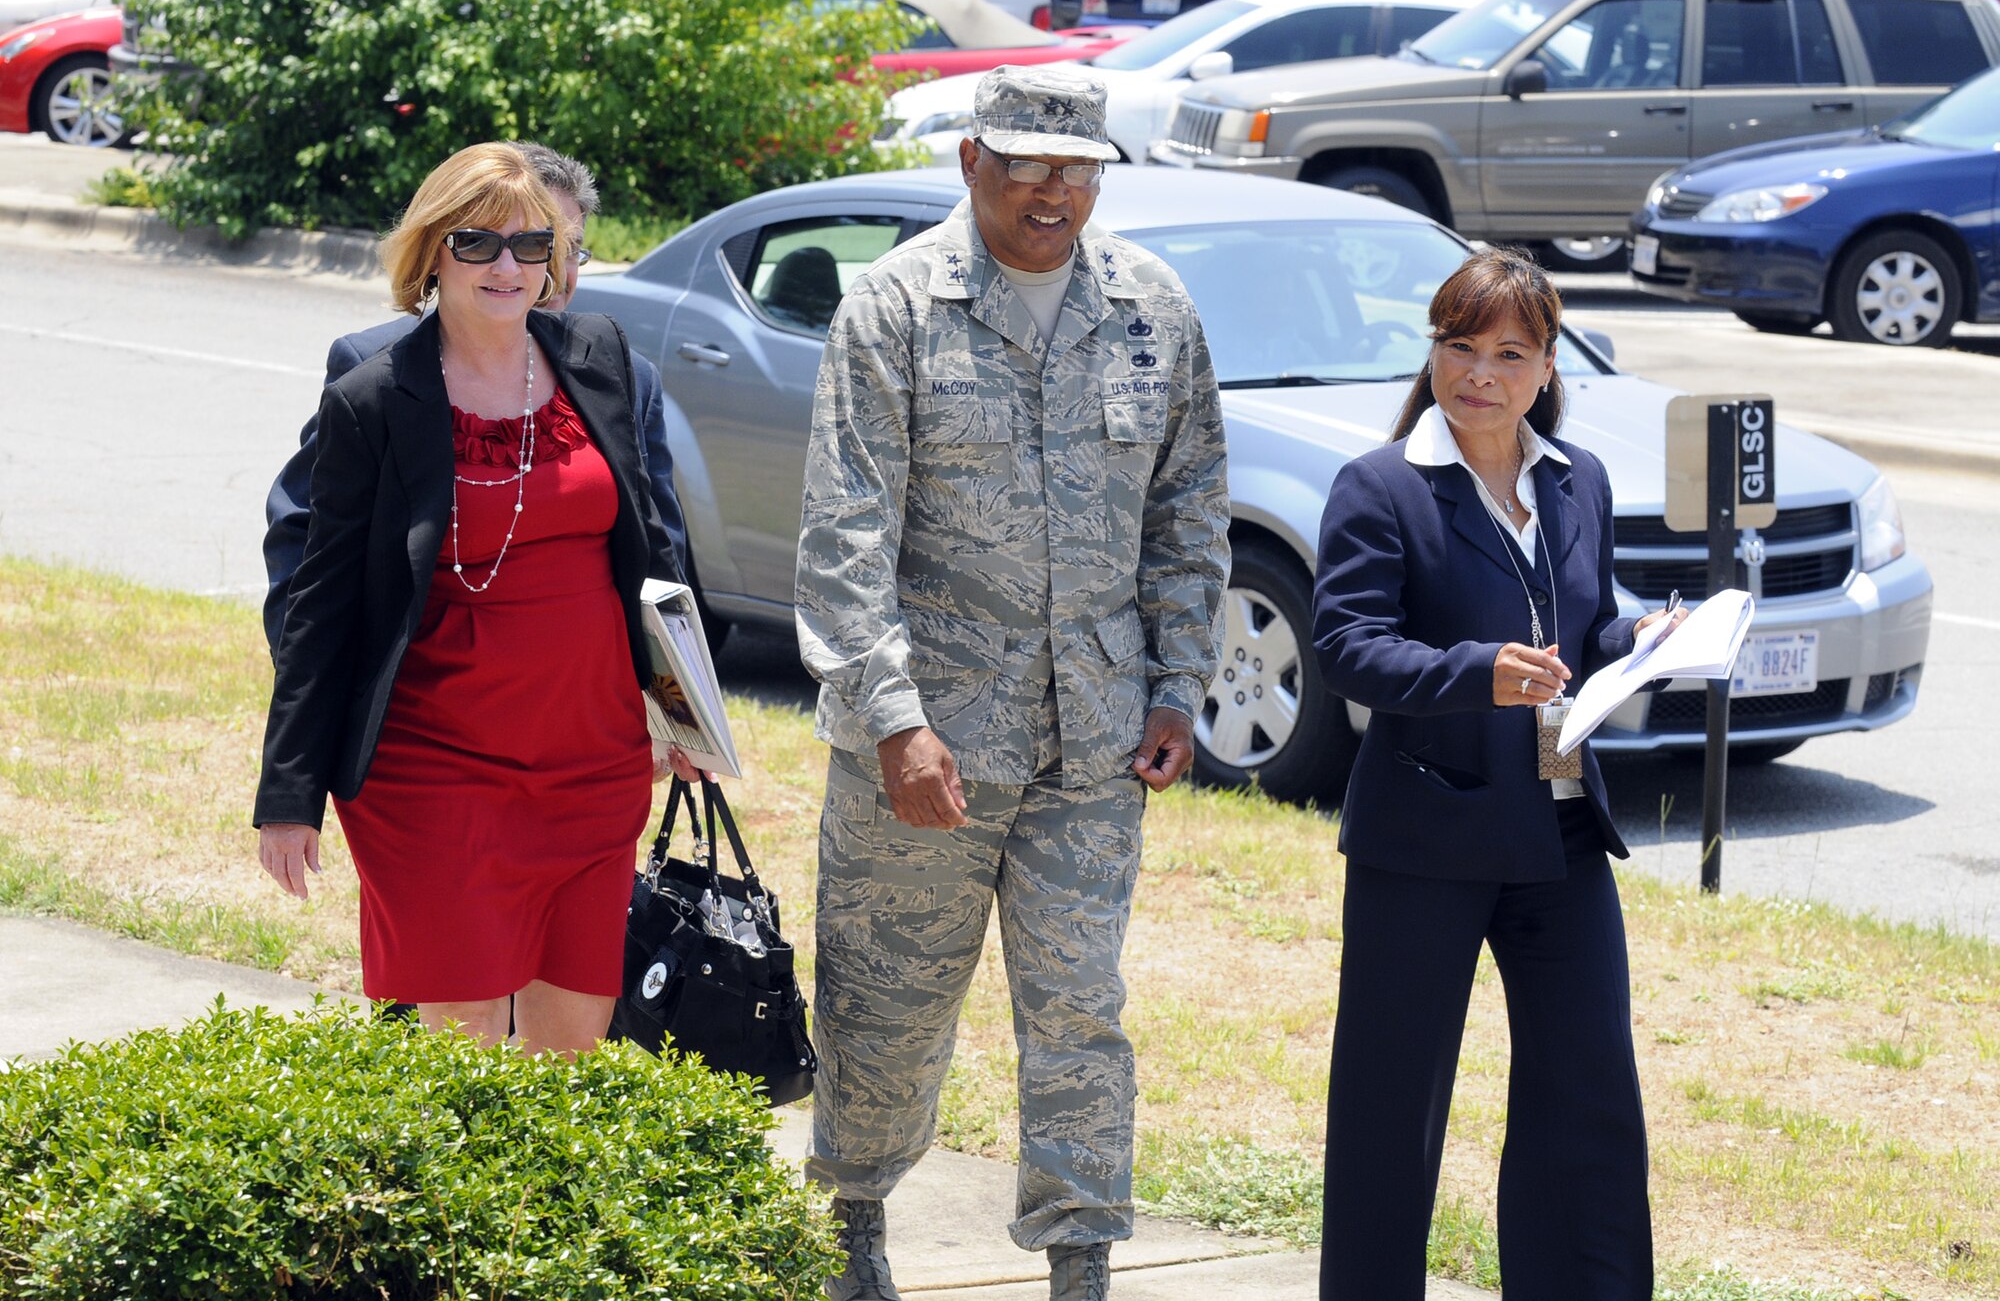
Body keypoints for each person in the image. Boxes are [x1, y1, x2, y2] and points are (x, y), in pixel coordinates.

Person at [794, 65, 1230, 1301]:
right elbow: (844, 536)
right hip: (926, 738)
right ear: (971, 159)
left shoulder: (1151, 307)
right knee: (885, 996)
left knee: (1080, 1008)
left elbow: (1189, 512)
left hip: (1089, 738)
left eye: (1077, 167)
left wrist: (1173, 686)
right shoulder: (894, 308)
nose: (1054, 191)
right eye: (1029, 163)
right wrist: (892, 720)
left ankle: (1081, 1258)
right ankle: (855, 1223)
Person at [252, 142, 684, 1059]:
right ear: (431, 255)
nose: (508, 267)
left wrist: (686, 718)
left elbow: (655, 555)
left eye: (532, 246)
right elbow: (321, 597)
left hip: (591, 760)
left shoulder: (599, 358)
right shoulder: (374, 395)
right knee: (468, 1049)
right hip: (436, 765)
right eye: (479, 243)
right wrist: (289, 794)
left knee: (572, 1049)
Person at [1309, 247, 1683, 1300]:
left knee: (1587, 1098)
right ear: (1431, 353)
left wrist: (1643, 634)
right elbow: (1346, 645)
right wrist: (1480, 675)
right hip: (1422, 842)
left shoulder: (1577, 479)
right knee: (1391, 1107)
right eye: (1458, 347)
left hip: (1560, 838)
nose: (1480, 371)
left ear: (1546, 361)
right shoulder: (1380, 487)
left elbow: (1578, 625)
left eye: (1506, 352)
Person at [261, 141, 688, 657]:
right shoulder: (374, 371)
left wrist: (675, 708)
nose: (518, 264)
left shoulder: (625, 375)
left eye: (553, 245)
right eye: (484, 243)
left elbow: (660, 569)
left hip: (594, 711)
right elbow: (303, 536)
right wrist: (322, 689)